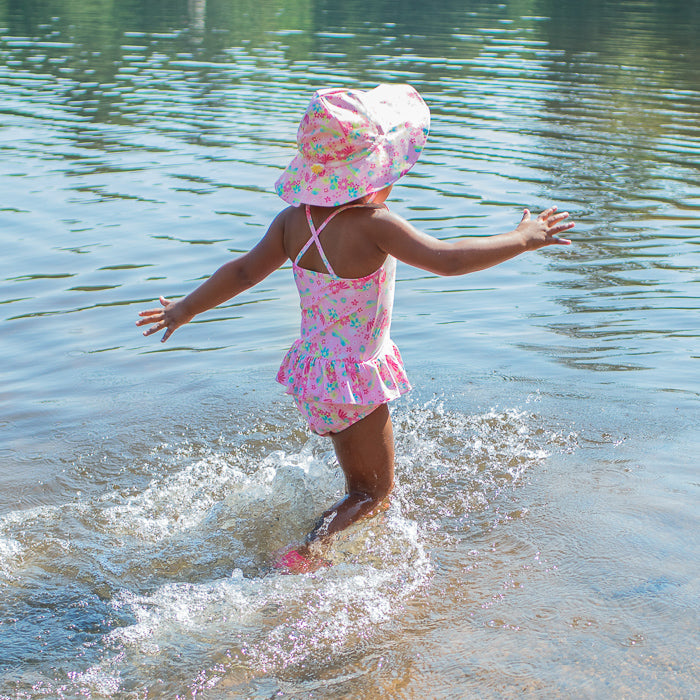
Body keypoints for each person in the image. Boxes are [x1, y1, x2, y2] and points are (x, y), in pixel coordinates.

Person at [136, 84, 574, 573]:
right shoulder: (374, 224)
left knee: (359, 482)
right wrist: (520, 238)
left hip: (314, 374)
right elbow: (446, 261)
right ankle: (301, 560)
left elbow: (240, 272)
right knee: (372, 493)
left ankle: (313, 548)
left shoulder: (292, 222)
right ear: (376, 170)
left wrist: (184, 309)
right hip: (355, 379)